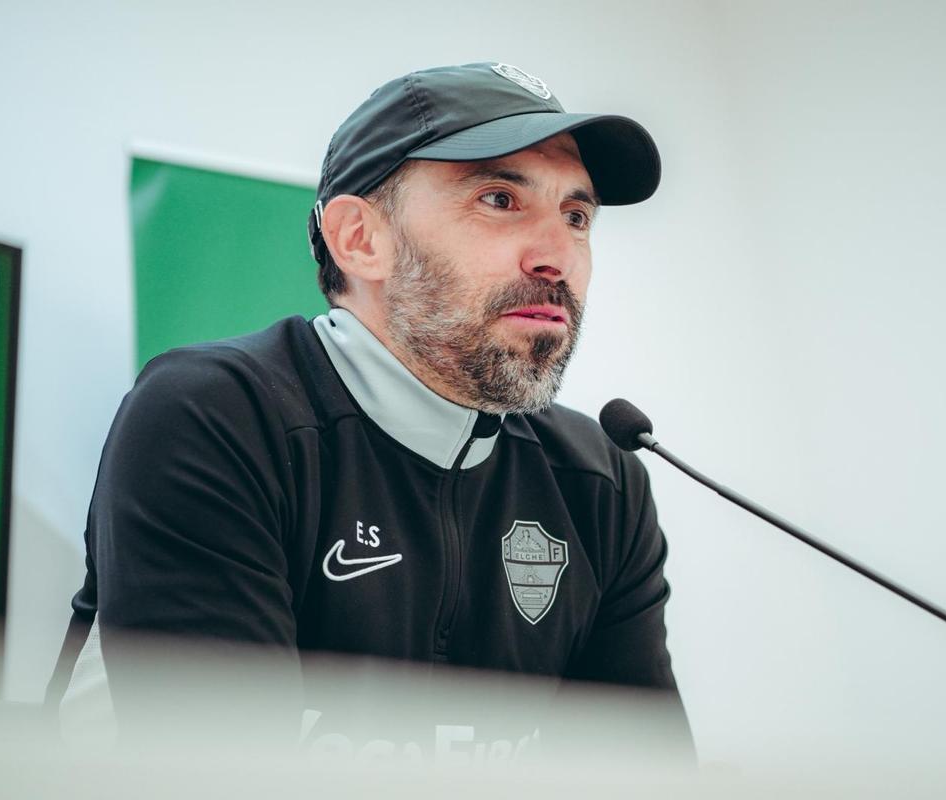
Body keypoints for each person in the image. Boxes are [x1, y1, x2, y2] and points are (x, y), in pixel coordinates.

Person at [49, 62, 685, 755]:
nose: (557, 255)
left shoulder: (601, 481)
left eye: (576, 215)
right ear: (359, 239)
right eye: (500, 199)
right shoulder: (215, 419)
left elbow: (644, 778)